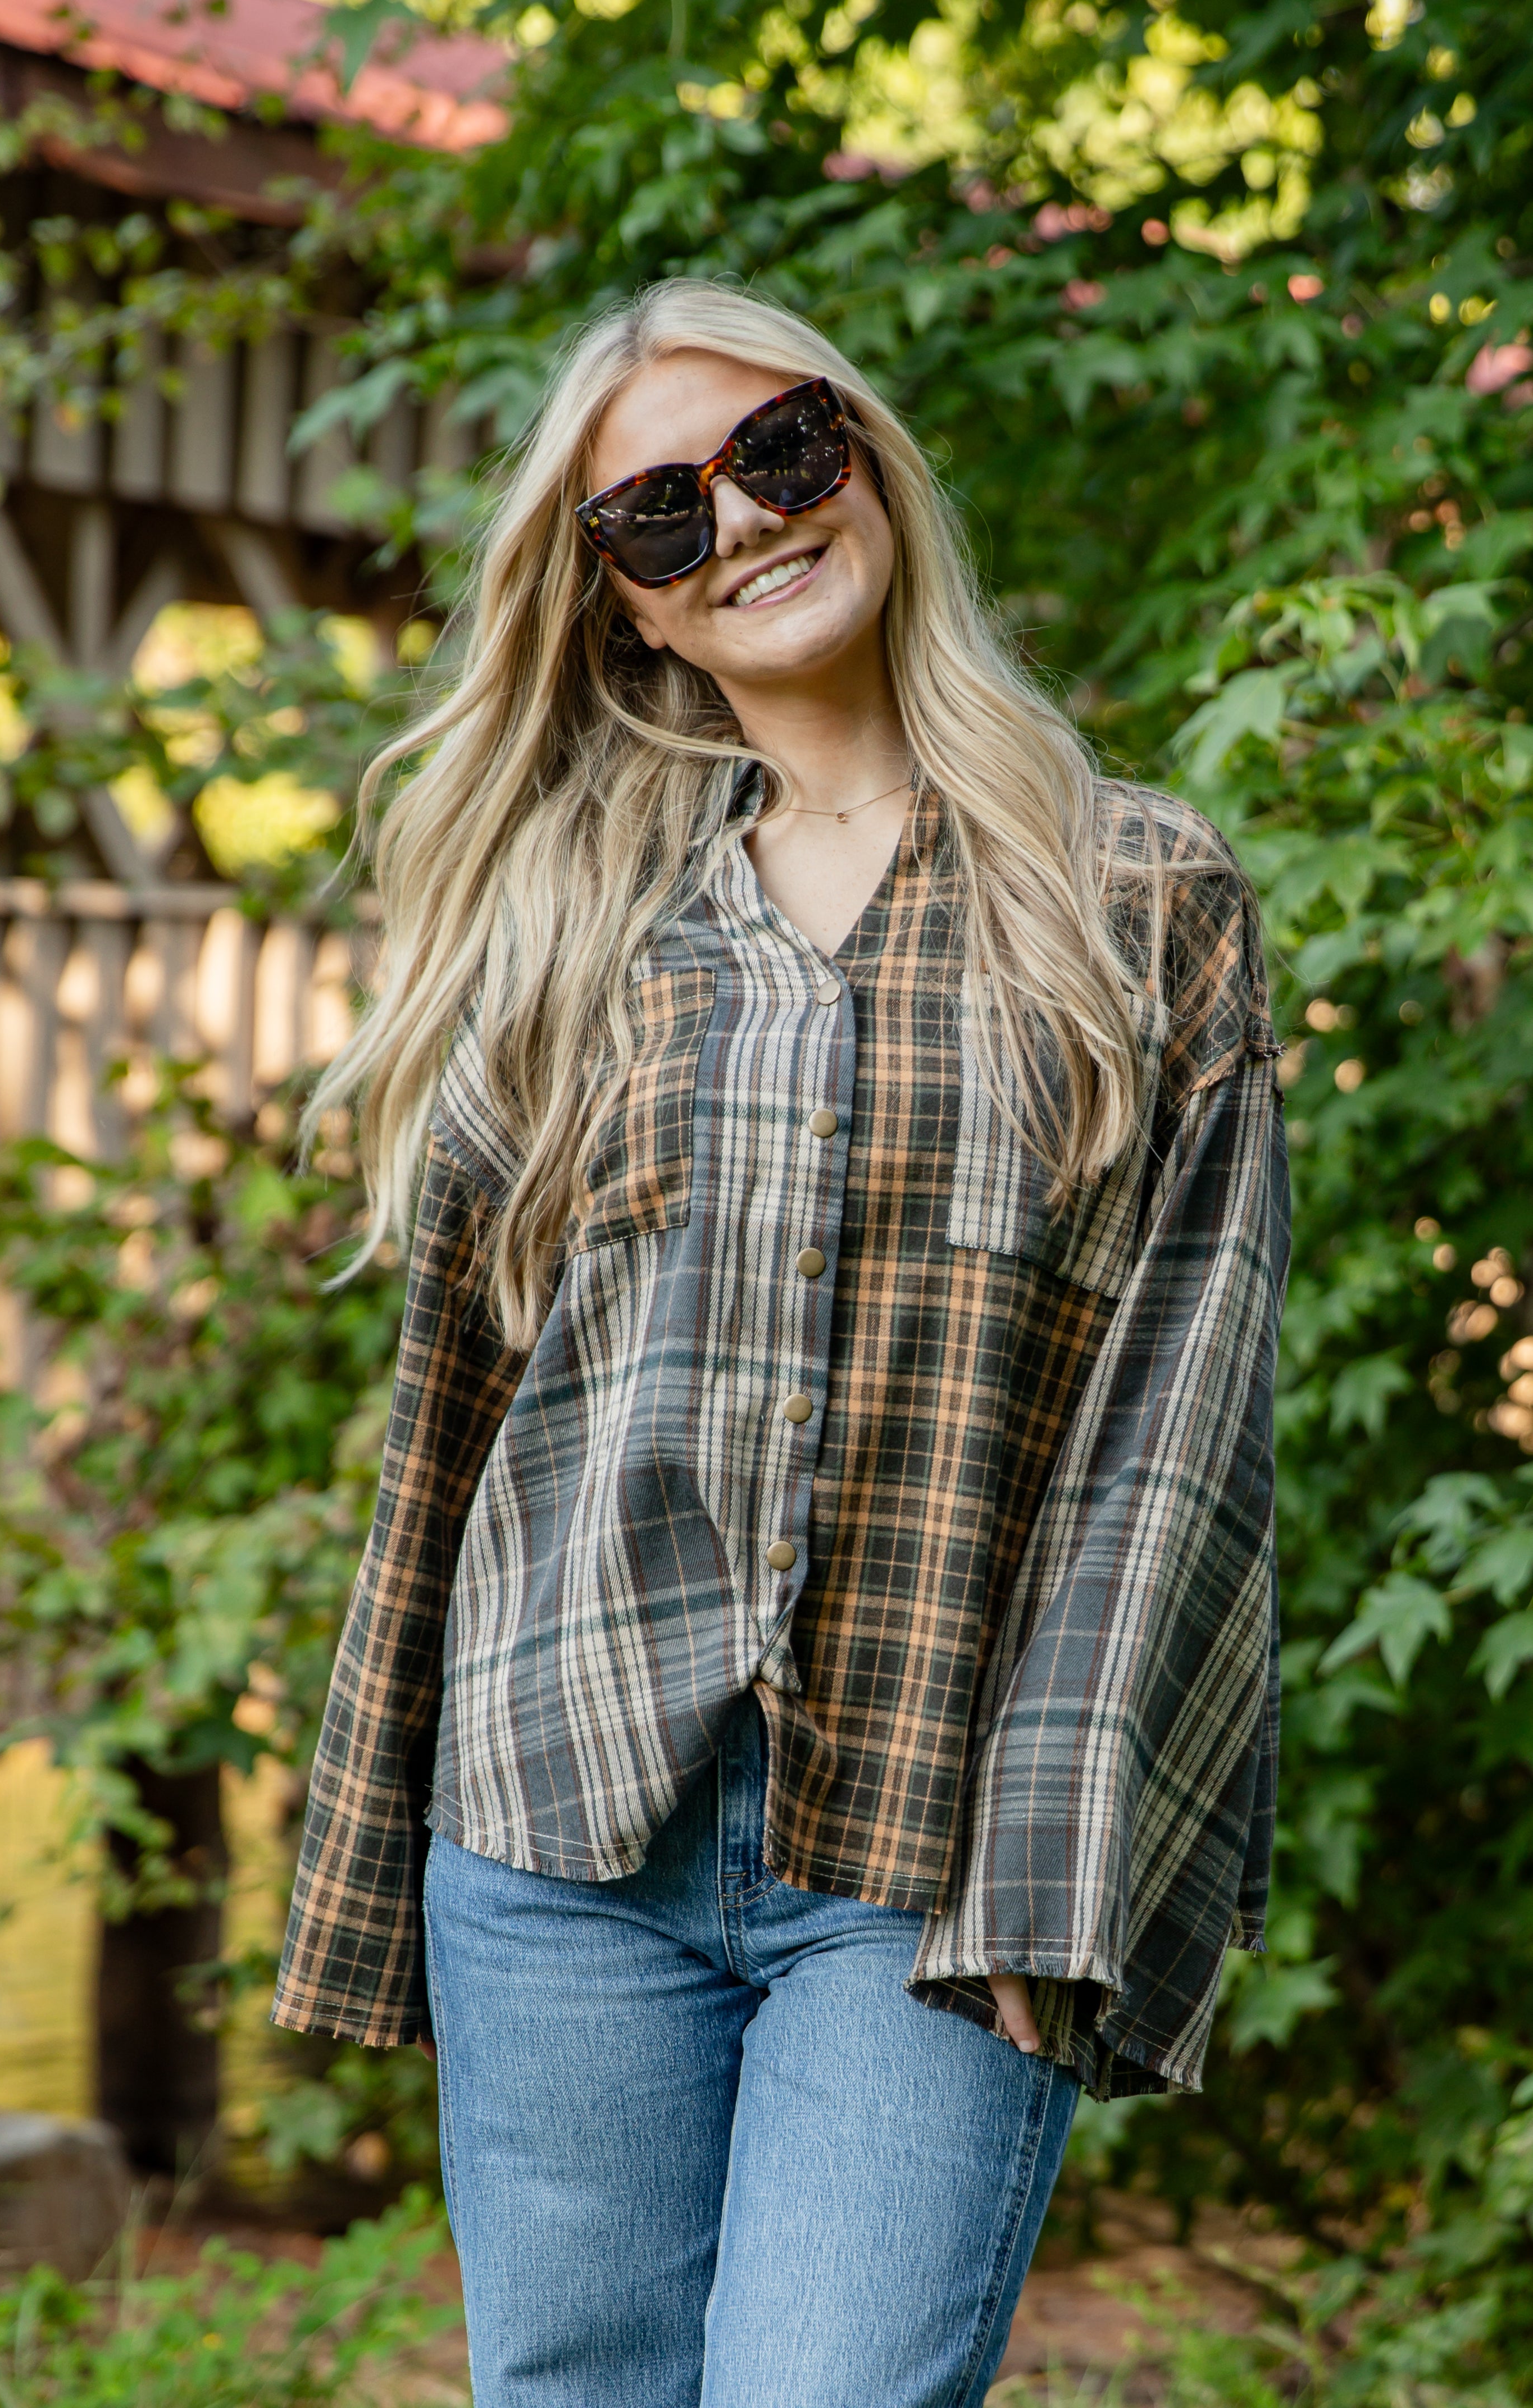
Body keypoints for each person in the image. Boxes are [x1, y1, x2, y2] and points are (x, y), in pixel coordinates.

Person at [271, 279, 1290, 2408]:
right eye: (657, 517)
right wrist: (373, 1849)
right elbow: (454, 1413)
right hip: (556, 1837)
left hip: (926, 1854)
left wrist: (1057, 1862)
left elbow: (1174, 1425)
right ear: (626, 605)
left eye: (779, 451)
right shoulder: (564, 928)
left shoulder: (1135, 895)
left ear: (869, 459)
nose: (737, 523)